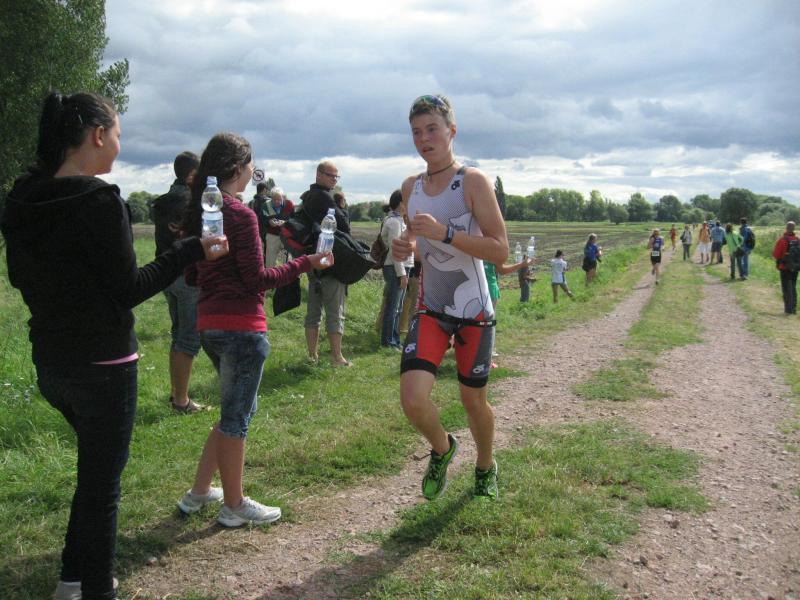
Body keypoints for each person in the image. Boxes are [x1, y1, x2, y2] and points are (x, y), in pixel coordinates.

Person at [0, 92, 228, 600]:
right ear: (98, 135)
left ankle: (71, 580)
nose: (120, 144)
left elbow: (19, 277)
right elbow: (129, 289)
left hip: (51, 362)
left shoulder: (24, 197)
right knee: (103, 488)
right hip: (104, 364)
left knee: (93, 475)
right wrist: (190, 250)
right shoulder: (100, 201)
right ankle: (97, 589)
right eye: (119, 134)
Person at [177, 133, 332, 527]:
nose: (253, 171)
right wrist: (306, 263)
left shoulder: (202, 211)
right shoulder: (241, 215)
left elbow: (192, 274)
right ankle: (234, 505)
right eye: (250, 164)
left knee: (235, 409)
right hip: (242, 328)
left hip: (209, 325)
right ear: (236, 168)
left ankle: (199, 492)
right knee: (237, 419)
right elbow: (258, 280)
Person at [392, 94, 508, 500]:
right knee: (412, 398)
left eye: (432, 129)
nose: (424, 139)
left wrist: (446, 233)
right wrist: (405, 247)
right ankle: (443, 448)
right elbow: (414, 238)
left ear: (451, 131)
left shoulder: (472, 182)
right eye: (416, 132)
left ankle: (485, 465)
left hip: (474, 310)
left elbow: (500, 250)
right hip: (432, 308)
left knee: (474, 403)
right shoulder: (411, 187)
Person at [151, 151, 208, 413]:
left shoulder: (164, 201)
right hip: (186, 276)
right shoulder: (190, 202)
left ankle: (176, 394)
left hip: (166, 275)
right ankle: (182, 401)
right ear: (192, 174)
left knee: (178, 335)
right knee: (188, 339)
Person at [301, 161, 351, 366]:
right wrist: (342, 210)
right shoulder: (324, 197)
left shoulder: (307, 196)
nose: (334, 180)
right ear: (319, 174)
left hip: (313, 260)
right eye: (331, 175)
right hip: (329, 261)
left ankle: (312, 356)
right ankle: (337, 357)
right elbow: (344, 225)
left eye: (336, 176)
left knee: (313, 311)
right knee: (334, 311)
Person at [381, 190, 412, 349]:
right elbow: (395, 251)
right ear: (401, 203)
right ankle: (388, 342)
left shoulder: (399, 220)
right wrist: (402, 274)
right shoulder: (394, 222)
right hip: (396, 268)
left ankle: (394, 340)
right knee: (393, 308)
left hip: (401, 267)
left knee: (398, 307)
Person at [263, 187, 294, 268]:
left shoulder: (289, 204)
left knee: (287, 260)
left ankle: (287, 274)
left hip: (286, 236)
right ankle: (270, 274)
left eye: (279, 199)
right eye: (274, 199)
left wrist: (285, 222)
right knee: (270, 260)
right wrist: (269, 222)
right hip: (272, 235)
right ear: (271, 198)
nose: (277, 201)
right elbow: (262, 220)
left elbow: (294, 219)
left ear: (282, 197)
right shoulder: (265, 205)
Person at [772, 221, 798, 314]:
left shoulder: (782, 240)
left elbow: (776, 255)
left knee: (786, 288)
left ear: (786, 228)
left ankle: (788, 309)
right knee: (793, 287)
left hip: (784, 267)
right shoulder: (797, 240)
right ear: (794, 228)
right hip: (795, 267)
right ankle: (794, 308)